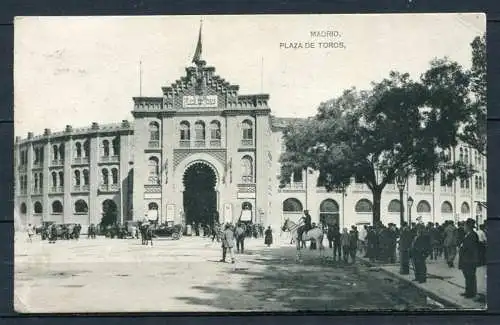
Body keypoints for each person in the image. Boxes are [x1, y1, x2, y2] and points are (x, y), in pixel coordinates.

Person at [459, 218, 480, 299]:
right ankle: (468, 291)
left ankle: (471, 293)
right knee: (467, 276)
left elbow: (471, 248)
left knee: (470, 276)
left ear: (468, 226)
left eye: (464, 225)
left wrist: (462, 247)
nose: (464, 227)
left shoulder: (472, 235)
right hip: (466, 259)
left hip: (470, 260)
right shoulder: (468, 234)